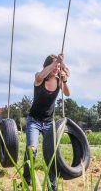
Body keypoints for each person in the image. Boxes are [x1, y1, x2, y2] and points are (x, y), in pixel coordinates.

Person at [23, 54, 70, 191]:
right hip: (34, 121)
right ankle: (27, 181)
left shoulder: (58, 80)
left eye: (58, 67)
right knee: (31, 150)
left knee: (51, 154)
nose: (56, 69)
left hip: (49, 123)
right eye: (54, 66)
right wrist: (56, 61)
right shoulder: (39, 77)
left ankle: (52, 185)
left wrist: (65, 80)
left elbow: (67, 93)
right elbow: (41, 75)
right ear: (48, 65)